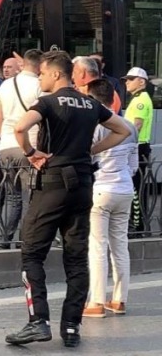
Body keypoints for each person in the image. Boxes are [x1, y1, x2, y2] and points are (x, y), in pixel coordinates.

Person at [6, 50, 131, 348]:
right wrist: (92, 150)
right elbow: (123, 130)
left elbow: (21, 127)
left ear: (57, 74)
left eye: (42, 74)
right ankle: (72, 327)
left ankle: (38, 321)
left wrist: (31, 153)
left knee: (32, 252)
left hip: (52, 183)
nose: (39, 78)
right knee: (76, 257)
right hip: (83, 183)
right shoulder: (90, 103)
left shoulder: (48, 102)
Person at [83, 79, 138, 318]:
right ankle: (119, 300)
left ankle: (96, 301)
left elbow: (89, 161)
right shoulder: (129, 126)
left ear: (92, 99)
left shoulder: (94, 126)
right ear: (112, 98)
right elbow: (133, 166)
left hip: (101, 189)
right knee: (120, 245)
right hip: (125, 189)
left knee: (97, 246)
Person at [0, 49, 43, 249]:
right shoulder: (39, 85)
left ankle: (4, 239)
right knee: (29, 196)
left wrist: (5, 136)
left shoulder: (5, 85)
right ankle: (25, 241)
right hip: (29, 146)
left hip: (6, 146)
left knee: (11, 196)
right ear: (39, 66)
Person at [123, 66, 153, 236]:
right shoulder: (138, 98)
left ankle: (138, 226)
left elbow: (137, 125)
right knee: (136, 186)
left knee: (136, 188)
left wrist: (123, 143)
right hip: (138, 146)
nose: (127, 82)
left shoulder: (140, 100)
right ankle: (138, 224)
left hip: (138, 146)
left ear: (141, 82)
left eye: (130, 79)